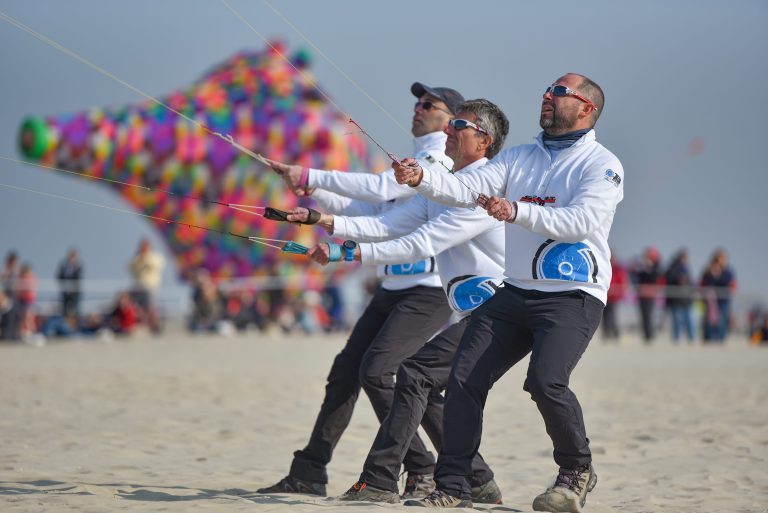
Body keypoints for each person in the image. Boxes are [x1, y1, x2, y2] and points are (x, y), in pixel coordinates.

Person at [394, 73, 622, 511]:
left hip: (573, 294)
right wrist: (421, 177)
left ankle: (576, 470)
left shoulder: (602, 164)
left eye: (559, 93)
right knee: (463, 379)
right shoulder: (519, 157)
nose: (547, 97)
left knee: (545, 381)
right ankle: (453, 486)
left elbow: (579, 223)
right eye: (546, 90)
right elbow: (464, 189)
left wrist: (517, 210)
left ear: (587, 109)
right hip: (514, 291)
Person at [291, 99, 509, 504]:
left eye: (456, 123)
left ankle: (382, 480)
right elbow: (389, 224)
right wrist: (321, 220)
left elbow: (420, 243)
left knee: (408, 374)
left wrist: (345, 253)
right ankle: (476, 481)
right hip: (472, 312)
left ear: (483, 141)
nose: (445, 129)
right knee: (413, 378)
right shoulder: (449, 186)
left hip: (498, 315)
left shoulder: (483, 190)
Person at [256, 83, 465, 498]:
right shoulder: (415, 157)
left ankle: (428, 466)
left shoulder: (438, 158)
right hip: (394, 286)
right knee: (346, 373)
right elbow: (376, 210)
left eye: (429, 105)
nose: (417, 108)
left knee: (383, 372)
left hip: (428, 289)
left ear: (451, 120)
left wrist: (311, 176)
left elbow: (381, 191)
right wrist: (317, 195)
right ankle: (309, 472)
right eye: (417, 102)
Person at [128, 238, 165, 334]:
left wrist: (145, 258)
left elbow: (155, 265)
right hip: (138, 287)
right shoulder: (136, 258)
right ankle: (144, 326)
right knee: (138, 309)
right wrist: (140, 258)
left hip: (150, 287)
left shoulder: (155, 257)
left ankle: (155, 327)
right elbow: (131, 268)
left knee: (150, 308)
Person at [700, 248, 736, 342]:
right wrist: (712, 274)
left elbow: (732, 285)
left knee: (723, 320)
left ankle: (721, 339)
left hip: (723, 300)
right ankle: (709, 338)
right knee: (710, 320)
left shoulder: (728, 272)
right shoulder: (708, 270)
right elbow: (704, 283)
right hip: (711, 301)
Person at [664, 249, 695, 342]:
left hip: (686, 299)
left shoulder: (686, 268)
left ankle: (691, 338)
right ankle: (676, 338)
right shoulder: (673, 268)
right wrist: (678, 279)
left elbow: (690, 283)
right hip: (676, 300)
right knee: (677, 321)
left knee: (689, 320)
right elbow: (668, 279)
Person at [634, 247, 663, 343]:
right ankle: (646, 335)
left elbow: (654, 279)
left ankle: (650, 335)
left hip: (650, 296)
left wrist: (648, 269)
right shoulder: (642, 268)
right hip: (642, 295)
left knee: (650, 316)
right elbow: (637, 277)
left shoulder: (656, 269)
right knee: (643, 316)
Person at [602, 254, 627, 341]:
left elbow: (623, 283)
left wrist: (618, 292)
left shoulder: (618, 270)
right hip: (605, 297)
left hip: (614, 298)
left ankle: (615, 334)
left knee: (613, 316)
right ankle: (606, 334)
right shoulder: (604, 267)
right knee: (605, 316)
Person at [57, 248, 83, 319]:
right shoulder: (63, 266)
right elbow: (59, 276)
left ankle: (77, 325)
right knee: (64, 309)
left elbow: (78, 278)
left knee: (76, 309)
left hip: (75, 292)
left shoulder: (78, 267)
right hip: (65, 291)